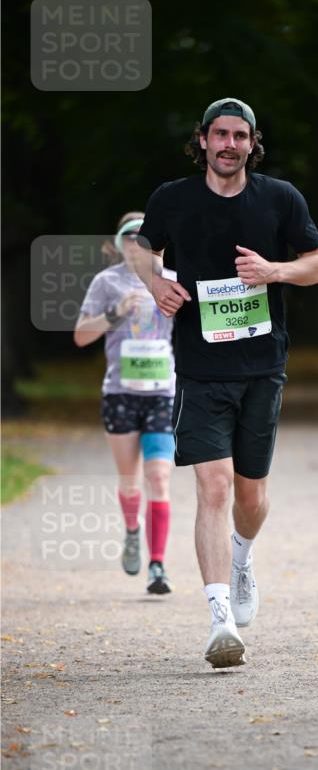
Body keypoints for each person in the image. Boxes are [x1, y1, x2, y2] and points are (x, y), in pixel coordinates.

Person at [135, 97, 318, 668]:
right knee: (213, 489)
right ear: (202, 140)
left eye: (239, 136)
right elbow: (141, 249)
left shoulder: (279, 198)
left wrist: (275, 271)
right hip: (200, 367)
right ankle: (221, 620)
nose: (228, 145)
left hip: (262, 366)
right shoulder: (172, 199)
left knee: (250, 496)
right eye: (219, 134)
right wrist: (153, 284)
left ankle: (242, 557)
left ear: (252, 142)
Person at [74, 212, 177, 595]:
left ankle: (158, 565)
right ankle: (132, 530)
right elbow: (81, 336)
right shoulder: (107, 282)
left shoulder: (172, 277)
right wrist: (116, 312)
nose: (138, 242)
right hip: (120, 392)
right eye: (130, 236)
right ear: (120, 242)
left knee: (159, 478)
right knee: (130, 481)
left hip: (162, 393)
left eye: (145, 235)